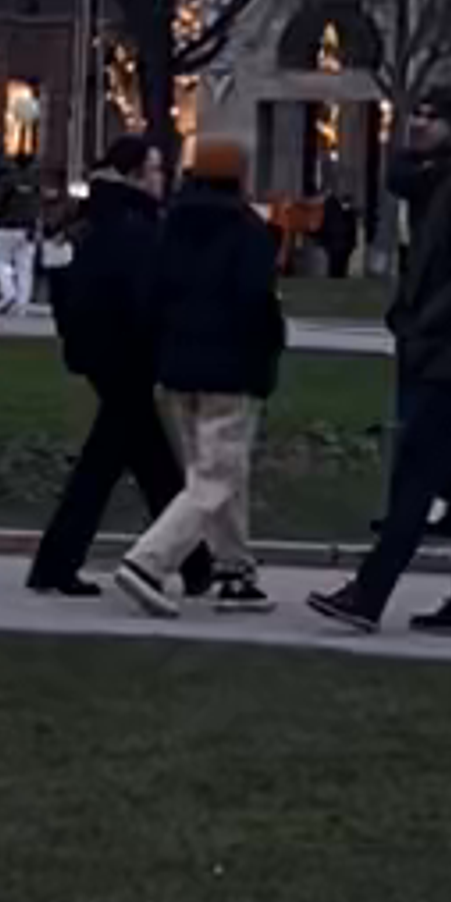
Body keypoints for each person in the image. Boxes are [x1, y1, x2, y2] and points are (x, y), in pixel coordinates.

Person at [308, 84, 451, 635]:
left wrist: (427, 324)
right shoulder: (446, 178)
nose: (418, 124)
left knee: (418, 476)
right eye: (416, 114)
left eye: (432, 117)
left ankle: (369, 593)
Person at [113, 136, 288, 620]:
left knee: (215, 471)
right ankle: (149, 561)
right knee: (217, 476)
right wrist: (270, 350)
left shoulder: (173, 224)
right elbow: (258, 303)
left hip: (178, 369)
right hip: (231, 369)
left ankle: (235, 571)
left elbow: (151, 298)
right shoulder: (249, 231)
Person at [23, 131, 181, 595]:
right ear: (136, 174)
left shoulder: (100, 217)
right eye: (155, 170)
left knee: (142, 459)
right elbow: (141, 300)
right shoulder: (132, 225)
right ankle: (58, 564)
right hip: (125, 357)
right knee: (112, 464)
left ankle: (194, 561)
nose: (162, 179)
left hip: (105, 355)